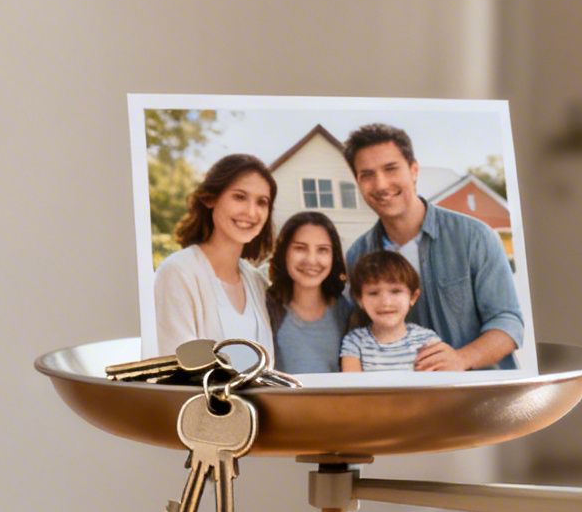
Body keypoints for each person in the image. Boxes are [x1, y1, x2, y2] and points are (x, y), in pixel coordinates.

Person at [342, 122, 523, 371]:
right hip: (406, 403)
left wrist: (462, 358)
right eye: (367, 175)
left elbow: (508, 322)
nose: (381, 184)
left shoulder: (474, 237)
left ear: (414, 170)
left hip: (477, 396)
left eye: (391, 168)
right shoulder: (358, 254)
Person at [154, 154, 276, 358]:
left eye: (262, 202)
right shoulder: (177, 272)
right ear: (211, 198)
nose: (251, 212)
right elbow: (176, 368)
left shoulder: (257, 282)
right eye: (239, 197)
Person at [266, 211, 349, 375]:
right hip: (281, 400)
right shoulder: (266, 307)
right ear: (284, 253)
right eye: (300, 248)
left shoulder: (345, 310)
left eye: (322, 250)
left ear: (334, 256)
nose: (311, 260)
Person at [339, 251, 440, 372]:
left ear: (413, 297)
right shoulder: (354, 342)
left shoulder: (427, 340)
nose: (386, 302)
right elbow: (352, 388)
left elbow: (435, 387)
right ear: (360, 300)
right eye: (373, 293)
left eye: (395, 291)